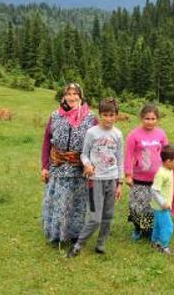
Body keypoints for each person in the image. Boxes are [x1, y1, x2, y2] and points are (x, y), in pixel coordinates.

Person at [40, 83, 97, 244]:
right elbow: (46, 143)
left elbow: (96, 145)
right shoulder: (55, 116)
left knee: (77, 203)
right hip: (57, 167)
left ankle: (74, 235)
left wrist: (91, 165)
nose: (72, 97)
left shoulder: (90, 118)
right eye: (68, 94)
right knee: (59, 202)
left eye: (75, 94)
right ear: (63, 96)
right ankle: (56, 235)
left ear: (81, 96)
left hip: (79, 170)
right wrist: (44, 166)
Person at [68, 97, 124, 258]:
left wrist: (119, 182)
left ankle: (101, 244)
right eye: (105, 115)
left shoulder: (118, 134)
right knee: (95, 217)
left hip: (112, 180)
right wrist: (87, 164)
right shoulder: (92, 132)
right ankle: (79, 244)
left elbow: (120, 158)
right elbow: (83, 154)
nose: (108, 118)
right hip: (94, 181)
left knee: (108, 215)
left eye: (111, 115)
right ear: (100, 115)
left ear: (116, 115)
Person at [124, 104, 168, 240]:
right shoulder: (134, 135)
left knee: (152, 205)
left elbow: (166, 154)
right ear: (141, 118)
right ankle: (137, 228)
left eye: (153, 118)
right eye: (147, 118)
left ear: (157, 119)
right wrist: (128, 175)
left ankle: (149, 230)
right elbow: (129, 155)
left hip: (156, 178)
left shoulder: (161, 134)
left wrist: (168, 172)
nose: (150, 121)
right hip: (138, 178)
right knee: (137, 206)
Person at [151, 145, 174, 255]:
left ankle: (155, 242)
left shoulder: (168, 170)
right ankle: (164, 246)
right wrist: (163, 202)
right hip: (161, 206)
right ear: (168, 161)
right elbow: (154, 190)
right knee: (168, 226)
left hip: (162, 205)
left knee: (158, 224)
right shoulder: (161, 174)